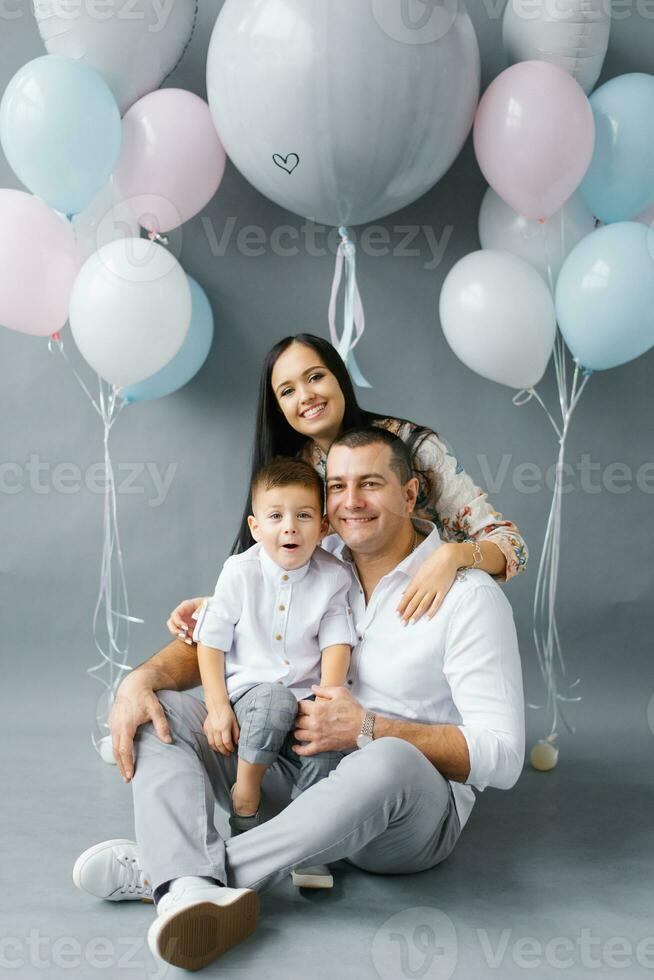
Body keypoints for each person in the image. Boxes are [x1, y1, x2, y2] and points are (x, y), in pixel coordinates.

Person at [72, 427, 526, 974]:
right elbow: (222, 632)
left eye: (371, 484)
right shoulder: (311, 553)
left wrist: (368, 729)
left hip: (404, 818)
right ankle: (190, 884)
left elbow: (503, 759)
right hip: (298, 769)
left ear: (409, 495)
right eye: (337, 486)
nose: (350, 501)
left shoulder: (468, 598)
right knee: (160, 711)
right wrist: (139, 679)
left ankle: (174, 876)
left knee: (389, 759)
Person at [169, 333, 528, 657]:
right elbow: (279, 563)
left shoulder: (413, 447)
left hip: (422, 622)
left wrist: (451, 556)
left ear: (339, 378)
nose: (306, 396)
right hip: (337, 631)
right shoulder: (296, 470)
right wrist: (221, 604)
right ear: (278, 408)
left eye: (315, 377)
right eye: (288, 390)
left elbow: (512, 545)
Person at [194, 456, 353, 834]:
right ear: (255, 526)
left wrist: (329, 700)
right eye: (276, 516)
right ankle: (245, 796)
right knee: (274, 700)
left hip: (305, 693)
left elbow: (336, 641)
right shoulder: (239, 571)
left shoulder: (333, 576)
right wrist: (217, 707)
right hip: (251, 693)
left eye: (303, 516)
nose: (290, 529)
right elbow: (211, 641)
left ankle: (308, 833)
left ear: (323, 525)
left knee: (325, 738)